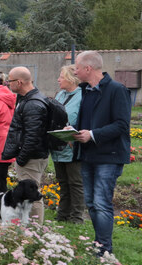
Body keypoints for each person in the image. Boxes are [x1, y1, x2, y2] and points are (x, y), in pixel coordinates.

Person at [72, 51, 131, 255]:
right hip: (88, 154)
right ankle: (99, 243)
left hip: (109, 155)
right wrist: (72, 132)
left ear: (88, 68)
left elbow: (122, 125)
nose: (74, 71)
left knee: (101, 202)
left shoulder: (116, 90)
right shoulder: (86, 91)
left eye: (77, 67)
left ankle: (104, 249)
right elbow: (87, 122)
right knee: (90, 202)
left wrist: (93, 134)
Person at [2, 66, 51, 223]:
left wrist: (21, 158)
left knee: (33, 195)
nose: (8, 84)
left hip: (32, 157)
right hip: (32, 155)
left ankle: (36, 230)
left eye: (9, 81)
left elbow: (32, 136)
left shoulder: (32, 104)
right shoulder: (28, 99)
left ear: (19, 82)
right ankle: (30, 227)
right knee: (31, 192)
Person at [51, 65, 86, 224]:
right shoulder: (59, 95)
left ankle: (76, 217)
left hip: (74, 146)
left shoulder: (83, 96)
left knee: (75, 183)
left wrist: (74, 134)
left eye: (62, 77)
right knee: (63, 182)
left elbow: (85, 119)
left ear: (71, 79)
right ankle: (62, 215)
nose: (58, 79)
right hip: (59, 145)